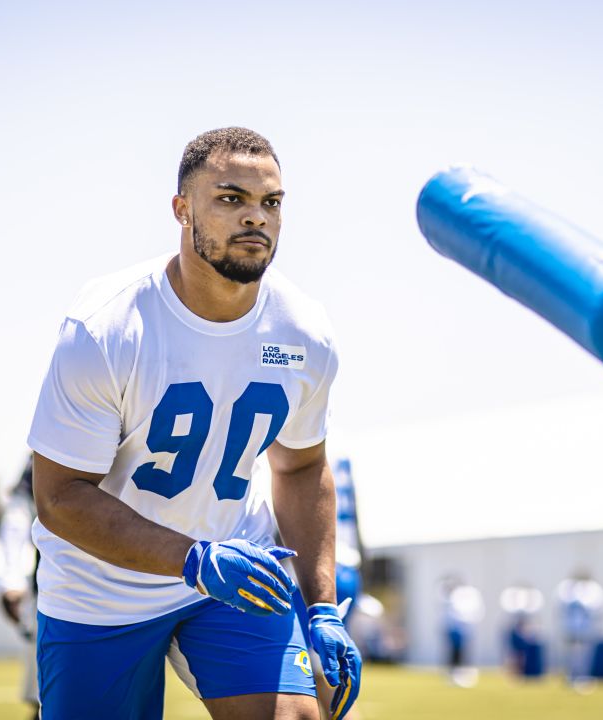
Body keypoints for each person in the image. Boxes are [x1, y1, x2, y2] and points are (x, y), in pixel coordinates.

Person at [26, 127, 361, 720]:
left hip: (238, 566)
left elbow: (302, 465)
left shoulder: (304, 331)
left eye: (271, 202)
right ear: (182, 210)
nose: (255, 217)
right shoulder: (106, 327)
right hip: (101, 587)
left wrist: (323, 607)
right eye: (231, 199)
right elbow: (58, 498)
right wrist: (195, 560)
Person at [0, 458, 39, 719]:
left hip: (135, 583)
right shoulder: (63, 423)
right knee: (48, 698)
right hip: (60, 589)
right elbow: (19, 510)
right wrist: (11, 576)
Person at [555, 570, 603, 687]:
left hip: (581, 628)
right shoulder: (571, 589)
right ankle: (574, 677)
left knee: (582, 655)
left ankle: (578, 677)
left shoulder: (570, 590)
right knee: (576, 655)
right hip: (577, 627)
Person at [440, 577, 484, 687]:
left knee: (464, 652)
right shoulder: (451, 596)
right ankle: (453, 674)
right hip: (455, 628)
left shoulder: (468, 595)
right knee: (454, 652)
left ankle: (463, 674)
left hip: (465, 628)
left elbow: (474, 611)